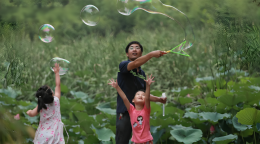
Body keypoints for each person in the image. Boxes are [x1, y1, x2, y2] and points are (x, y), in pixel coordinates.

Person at [116, 41, 167, 143]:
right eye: (131, 48)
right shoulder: (123, 65)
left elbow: (144, 94)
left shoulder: (142, 74)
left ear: (141, 53)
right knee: (122, 141)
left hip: (140, 114)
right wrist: (152, 54)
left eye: (137, 48)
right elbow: (135, 63)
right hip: (125, 112)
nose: (134, 49)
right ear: (127, 54)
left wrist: (159, 99)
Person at [26, 63, 68, 144]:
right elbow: (58, 85)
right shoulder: (56, 101)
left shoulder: (41, 105)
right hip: (55, 135)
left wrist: (28, 112)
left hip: (43, 135)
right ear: (52, 94)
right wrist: (57, 73)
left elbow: (32, 114)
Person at [108, 74, 155, 144]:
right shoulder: (131, 110)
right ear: (133, 100)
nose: (140, 96)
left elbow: (148, 98)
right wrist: (117, 87)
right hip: (136, 141)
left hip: (146, 141)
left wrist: (148, 85)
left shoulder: (146, 110)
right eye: (138, 94)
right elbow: (124, 98)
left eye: (143, 95)